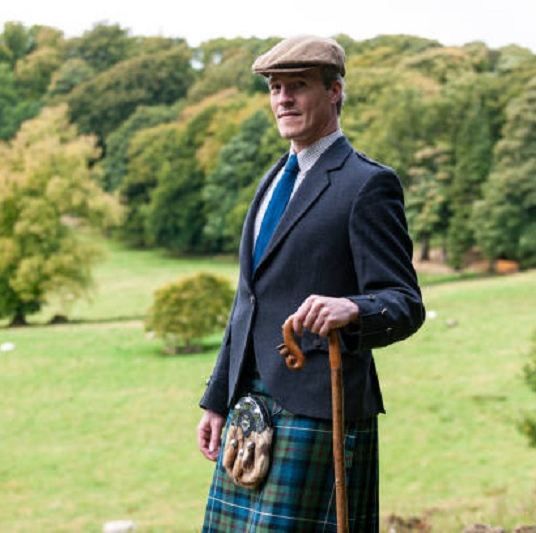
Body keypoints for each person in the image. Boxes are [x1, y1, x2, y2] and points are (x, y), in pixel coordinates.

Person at [197, 35, 426, 532]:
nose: (283, 99)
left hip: (321, 406)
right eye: (276, 88)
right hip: (250, 409)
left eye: (298, 86)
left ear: (335, 90)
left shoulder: (367, 184)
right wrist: (218, 399)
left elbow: (405, 303)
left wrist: (354, 309)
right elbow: (248, 302)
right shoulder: (271, 179)